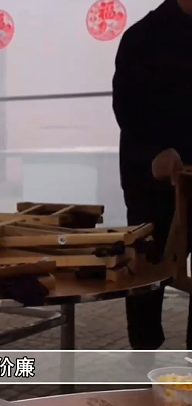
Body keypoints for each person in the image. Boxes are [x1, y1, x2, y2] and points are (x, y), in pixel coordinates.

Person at [113, 0, 192, 352]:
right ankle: (144, 359)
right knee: (146, 272)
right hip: (152, 181)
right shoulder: (142, 37)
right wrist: (154, 152)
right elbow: (127, 109)